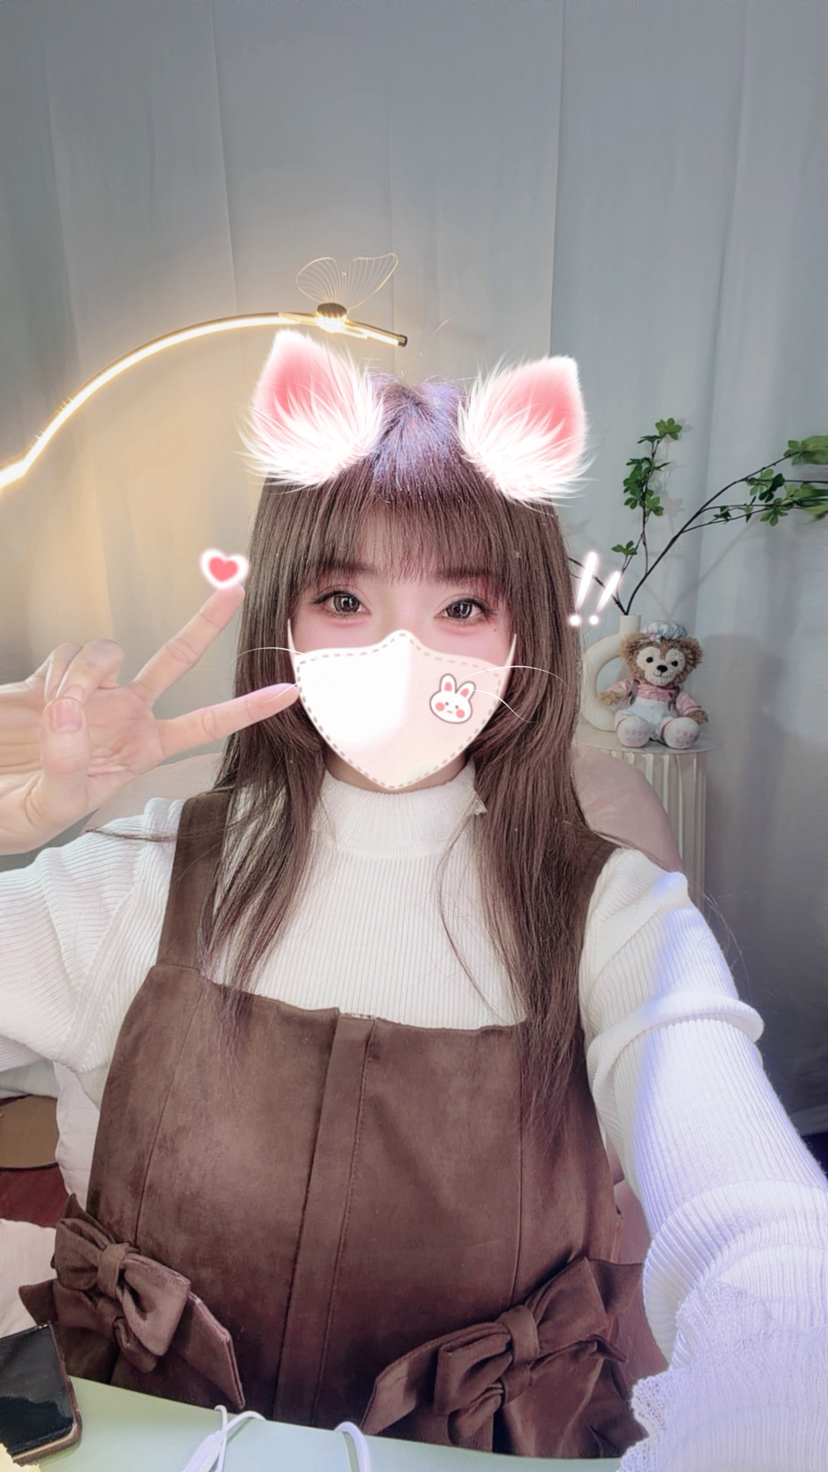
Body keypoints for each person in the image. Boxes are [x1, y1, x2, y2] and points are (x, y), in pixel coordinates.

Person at [0, 331, 826, 1469]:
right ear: (284, 618)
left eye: (463, 607)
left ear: (524, 630)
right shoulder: (139, 876)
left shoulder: (613, 913)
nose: (401, 652)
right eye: (345, 597)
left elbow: (765, 1234)